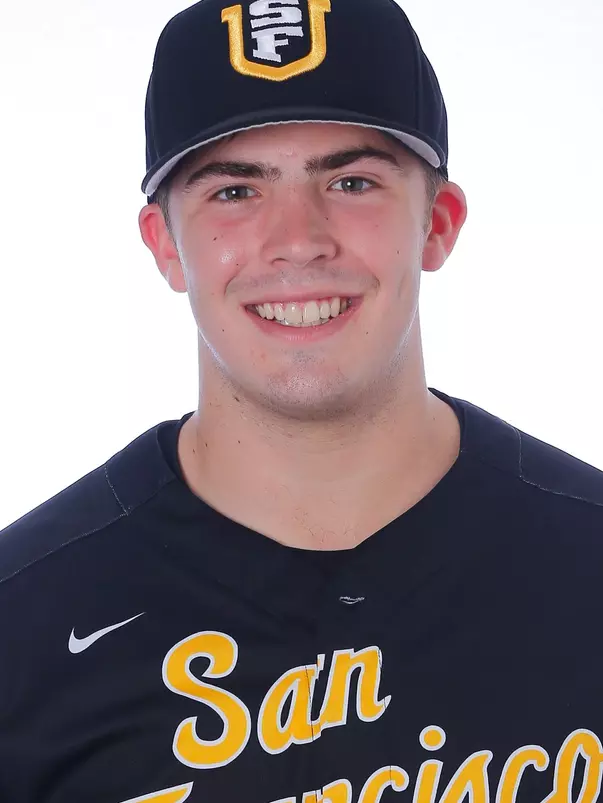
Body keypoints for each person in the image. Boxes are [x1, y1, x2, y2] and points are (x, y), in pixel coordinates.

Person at [1, 0, 603, 801]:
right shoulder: (23, 623)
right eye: (233, 192)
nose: (298, 239)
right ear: (163, 245)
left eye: (351, 181)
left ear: (438, 223)